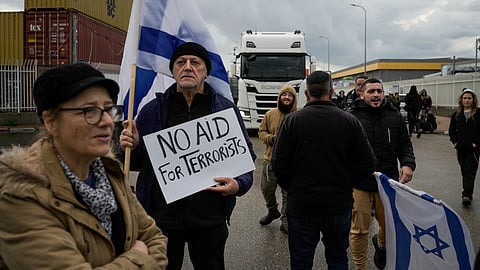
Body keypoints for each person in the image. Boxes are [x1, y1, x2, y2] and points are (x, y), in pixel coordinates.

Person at [0, 62, 168, 269]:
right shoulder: (21, 195)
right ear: (50, 121)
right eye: (89, 110)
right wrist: (139, 258)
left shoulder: (109, 172)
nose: (107, 121)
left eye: (108, 109)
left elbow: (154, 237)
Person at [119, 42, 256, 270]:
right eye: (181, 63)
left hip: (209, 218)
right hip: (161, 219)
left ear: (206, 71)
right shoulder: (152, 110)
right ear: (173, 71)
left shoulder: (225, 110)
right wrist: (132, 147)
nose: (188, 67)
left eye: (195, 63)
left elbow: (245, 158)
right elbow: (137, 163)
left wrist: (238, 185)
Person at [271, 71, 375, 270]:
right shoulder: (350, 121)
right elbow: (367, 164)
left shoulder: (292, 121)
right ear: (332, 92)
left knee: (301, 261)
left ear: (307, 94)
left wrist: (294, 188)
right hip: (338, 205)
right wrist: (346, 184)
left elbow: (279, 164)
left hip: (302, 205)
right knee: (337, 258)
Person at [349, 78, 416, 270]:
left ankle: (381, 246)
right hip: (359, 182)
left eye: (379, 91)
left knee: (389, 227)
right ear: (362, 94)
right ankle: (360, 266)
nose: (376, 94)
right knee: (359, 230)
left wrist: (407, 164)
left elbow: (404, 145)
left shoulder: (394, 116)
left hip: (387, 182)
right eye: (371, 91)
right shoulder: (351, 117)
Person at [258, 84, 297, 234]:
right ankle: (272, 211)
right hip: (270, 160)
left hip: (291, 163)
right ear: (279, 97)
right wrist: (270, 138)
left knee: (288, 193)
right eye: (284, 95)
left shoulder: (298, 115)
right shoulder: (270, 114)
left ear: (294, 98)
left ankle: (285, 221)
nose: (286, 98)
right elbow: (261, 131)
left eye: (290, 95)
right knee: (267, 189)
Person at [448, 88, 480, 206]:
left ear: (473, 100)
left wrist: (476, 143)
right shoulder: (456, 115)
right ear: (461, 100)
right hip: (460, 148)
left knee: (469, 172)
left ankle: (466, 195)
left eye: (469, 98)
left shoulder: (478, 113)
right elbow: (452, 131)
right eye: (465, 98)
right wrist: (455, 142)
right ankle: (467, 191)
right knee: (464, 170)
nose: (467, 100)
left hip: (473, 150)